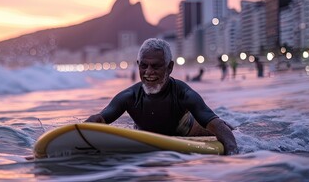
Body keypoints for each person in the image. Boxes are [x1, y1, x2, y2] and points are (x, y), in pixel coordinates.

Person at [85, 38, 238, 155]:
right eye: (144, 65)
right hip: (148, 135)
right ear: (138, 64)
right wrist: (82, 130)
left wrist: (234, 156)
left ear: (169, 67)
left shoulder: (184, 94)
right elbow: (101, 118)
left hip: (189, 131)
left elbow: (217, 125)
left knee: (230, 128)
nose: (148, 72)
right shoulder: (129, 96)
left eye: (156, 66)